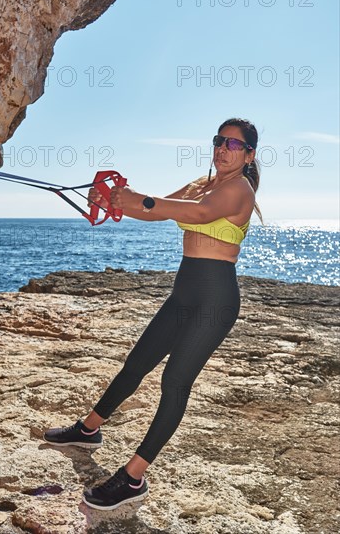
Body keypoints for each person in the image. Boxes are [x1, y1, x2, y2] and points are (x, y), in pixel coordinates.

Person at [43, 117, 263, 511]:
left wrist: (135, 198)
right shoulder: (202, 183)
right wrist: (115, 202)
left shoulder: (238, 190)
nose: (222, 148)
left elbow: (196, 214)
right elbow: (158, 211)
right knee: (136, 363)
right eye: (218, 140)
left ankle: (132, 478)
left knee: (174, 381)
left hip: (215, 301)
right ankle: (89, 429)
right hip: (183, 294)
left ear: (249, 155)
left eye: (232, 144)